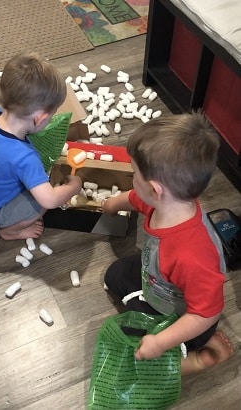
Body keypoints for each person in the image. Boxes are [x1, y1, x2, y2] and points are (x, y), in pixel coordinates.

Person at [102, 111, 233, 375]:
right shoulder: (165, 204)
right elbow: (135, 198)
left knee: (137, 353)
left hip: (186, 317)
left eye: (134, 173)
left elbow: (204, 314)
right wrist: (112, 204)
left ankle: (200, 357)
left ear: (155, 189)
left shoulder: (193, 256)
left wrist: (160, 342)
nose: (131, 178)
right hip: (158, 282)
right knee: (114, 274)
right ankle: (147, 312)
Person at [0, 52, 82, 240]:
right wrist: (74, 187)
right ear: (41, 119)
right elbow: (51, 199)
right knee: (41, 203)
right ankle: (11, 231)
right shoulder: (25, 157)